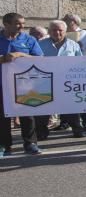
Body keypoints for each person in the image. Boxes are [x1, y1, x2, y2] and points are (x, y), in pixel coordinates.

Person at [0, 13, 45, 156]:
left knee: (27, 114)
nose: (22, 26)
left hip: (24, 84)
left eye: (23, 23)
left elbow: (40, 58)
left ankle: (30, 144)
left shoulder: (29, 39)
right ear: (6, 24)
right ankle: (4, 146)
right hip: (2, 84)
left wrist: (20, 54)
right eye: (17, 23)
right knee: (2, 116)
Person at [38, 20, 86, 139]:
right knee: (44, 107)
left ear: (65, 31)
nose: (57, 32)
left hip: (67, 82)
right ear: (49, 31)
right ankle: (41, 133)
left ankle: (77, 129)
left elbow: (80, 62)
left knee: (71, 107)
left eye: (60, 30)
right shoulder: (40, 44)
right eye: (54, 30)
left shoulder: (73, 44)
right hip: (46, 81)